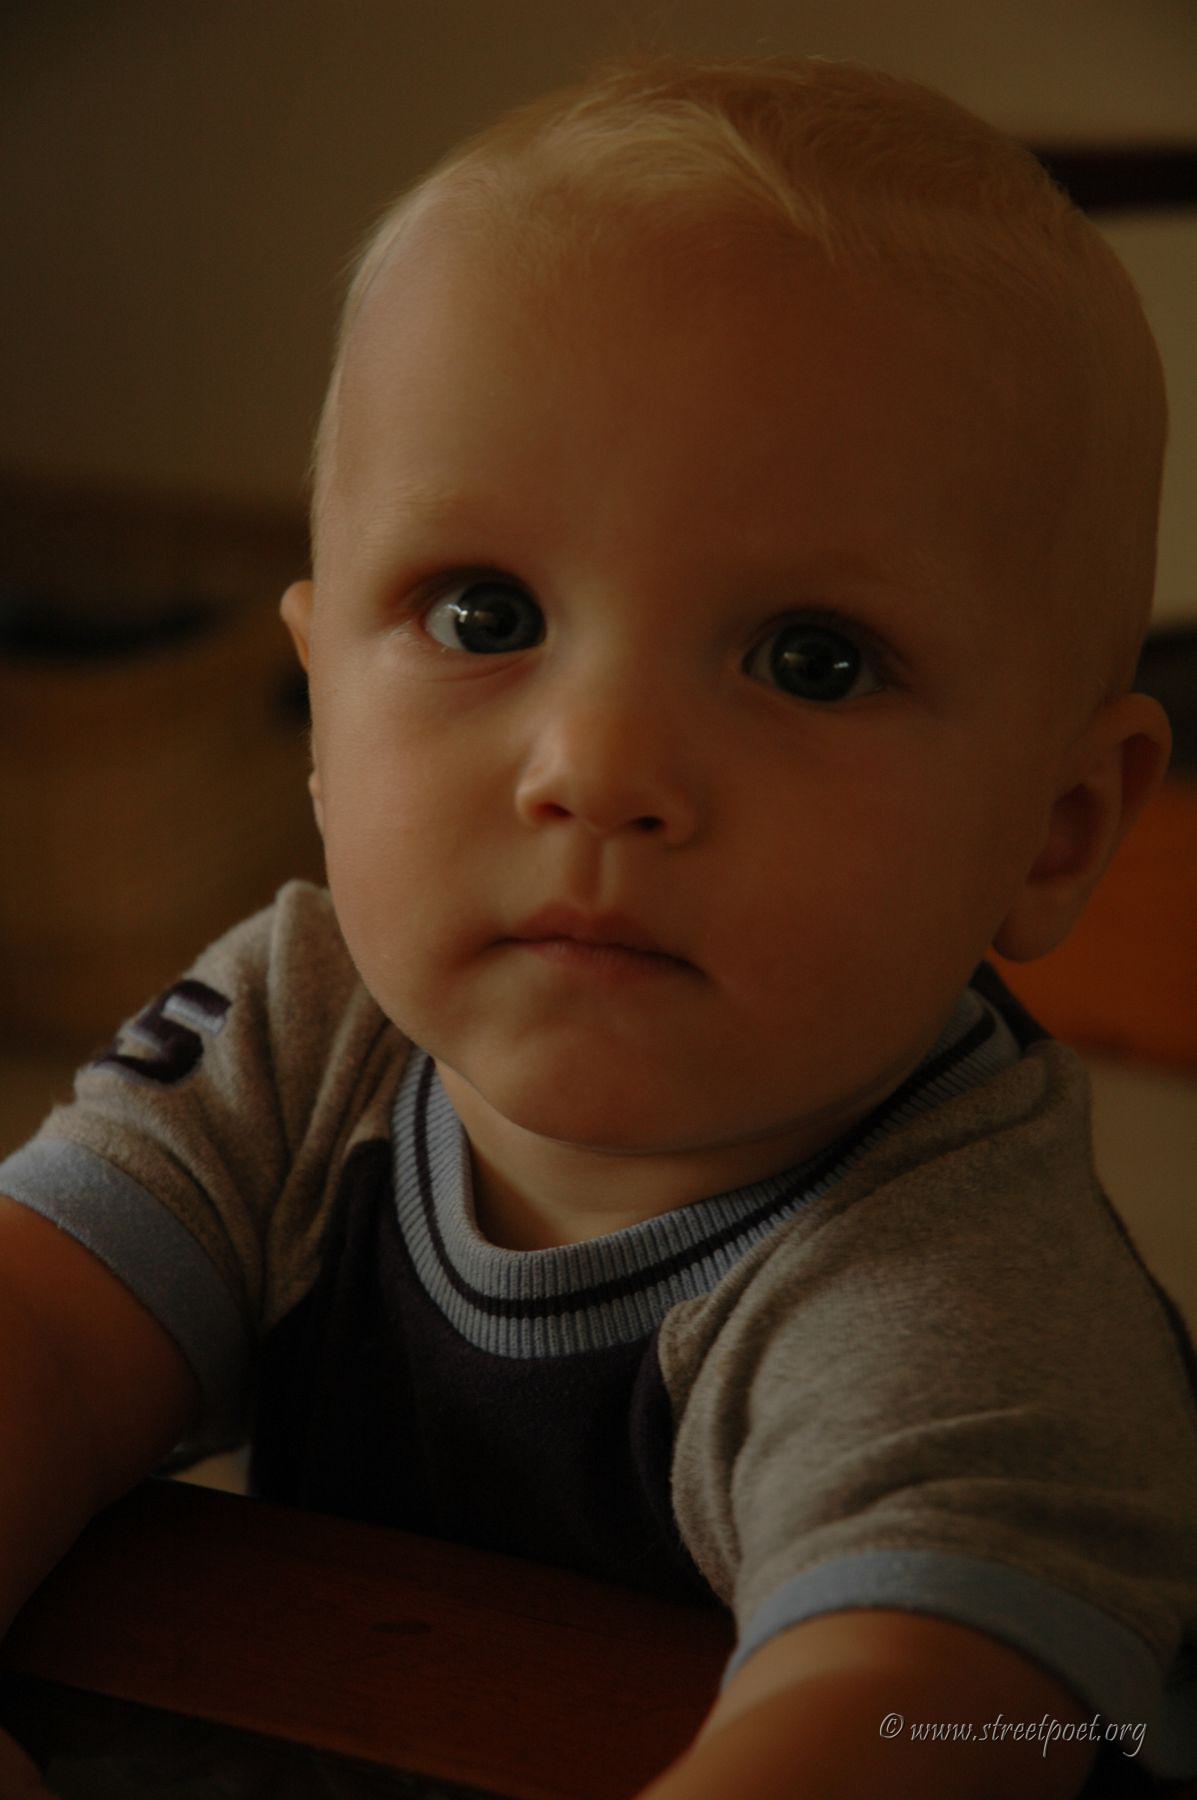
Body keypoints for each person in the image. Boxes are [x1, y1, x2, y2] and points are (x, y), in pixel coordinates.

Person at [1, 51, 1194, 1800]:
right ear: (321, 705)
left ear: (1056, 825)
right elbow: (34, 1334)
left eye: (810, 659)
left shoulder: (966, 1308)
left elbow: (918, 1721)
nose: (598, 769)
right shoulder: (302, 1026)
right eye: (483, 613)